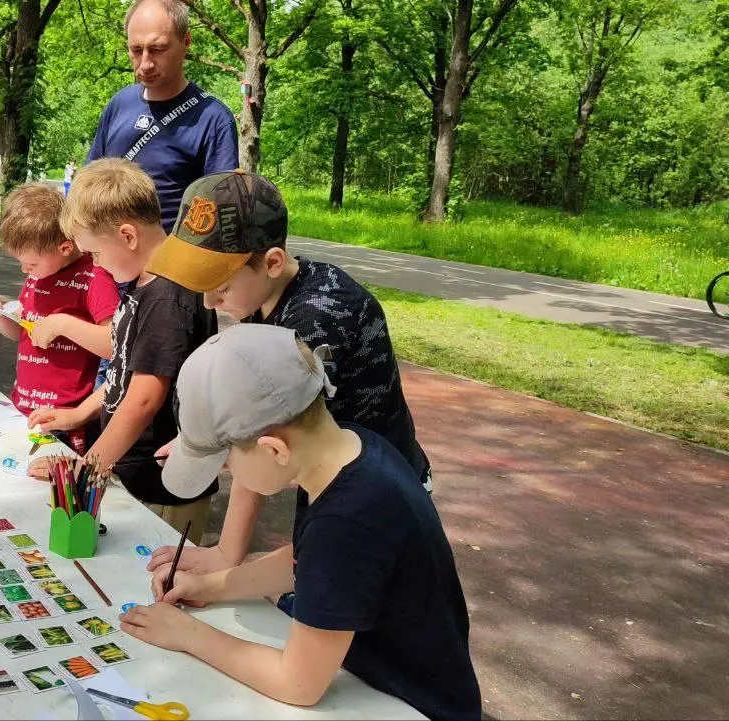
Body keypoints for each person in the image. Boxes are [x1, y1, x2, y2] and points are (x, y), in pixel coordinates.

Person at [120, 324, 480, 720]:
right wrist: (210, 586)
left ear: (273, 449)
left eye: (226, 464)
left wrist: (186, 634)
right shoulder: (349, 450)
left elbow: (298, 684)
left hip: (412, 706)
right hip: (376, 683)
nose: (227, 475)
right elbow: (307, 562)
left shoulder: (346, 520)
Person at [144, 170, 434, 578]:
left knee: (343, 609)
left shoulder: (316, 322)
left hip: (380, 492)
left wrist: (228, 556)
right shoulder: (265, 295)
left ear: (272, 263)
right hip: (330, 475)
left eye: (221, 288)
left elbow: (265, 429)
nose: (210, 302)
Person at [27, 158, 218, 537]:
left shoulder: (167, 295)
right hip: (133, 472)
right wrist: (80, 413)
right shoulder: (144, 284)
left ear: (128, 236)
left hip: (162, 488)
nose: (96, 267)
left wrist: (81, 472)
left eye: (95, 255)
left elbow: (144, 398)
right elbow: (126, 369)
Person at [0, 184, 118, 454]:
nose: (24, 270)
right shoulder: (39, 274)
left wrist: (62, 323)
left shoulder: (94, 278)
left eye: (31, 264)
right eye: (21, 263)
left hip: (65, 419)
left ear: (65, 247)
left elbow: (114, 345)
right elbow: (25, 334)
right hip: (23, 408)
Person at [88, 0, 238, 231]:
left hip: (168, 263)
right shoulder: (119, 104)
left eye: (157, 49)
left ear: (186, 42)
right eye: (136, 50)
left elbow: (217, 215)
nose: (145, 64)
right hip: (105, 260)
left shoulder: (213, 119)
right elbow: (87, 184)